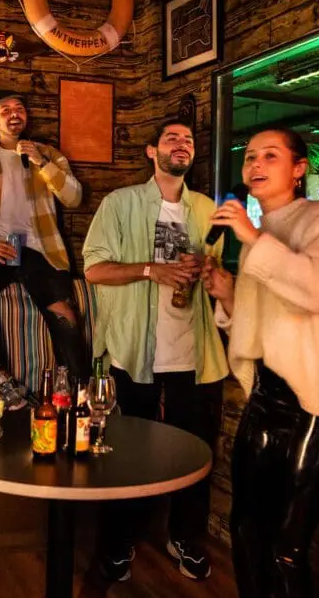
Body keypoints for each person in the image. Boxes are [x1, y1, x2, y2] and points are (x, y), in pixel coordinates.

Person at [202, 128, 319, 598]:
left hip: (314, 404)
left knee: (286, 546)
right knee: (246, 529)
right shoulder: (262, 232)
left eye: (270, 156)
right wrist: (228, 293)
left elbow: (318, 290)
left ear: (298, 170)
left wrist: (253, 238)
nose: (254, 164)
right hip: (265, 397)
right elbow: (263, 325)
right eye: (250, 156)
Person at [83, 119, 228, 582]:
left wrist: (204, 269)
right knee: (124, 455)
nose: (181, 144)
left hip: (194, 356)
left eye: (187, 140)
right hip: (132, 354)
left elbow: (219, 275)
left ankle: (185, 537)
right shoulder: (120, 203)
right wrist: (152, 270)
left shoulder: (206, 209)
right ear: (152, 151)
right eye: (172, 138)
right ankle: (119, 542)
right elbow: (94, 270)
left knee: (195, 455)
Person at [0, 92, 90, 384]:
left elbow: (74, 198)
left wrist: (42, 163)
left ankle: (78, 390)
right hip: (0, 247)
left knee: (64, 313)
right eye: (5, 109)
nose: (14, 113)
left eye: (19, 108)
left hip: (41, 250)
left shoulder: (48, 154)